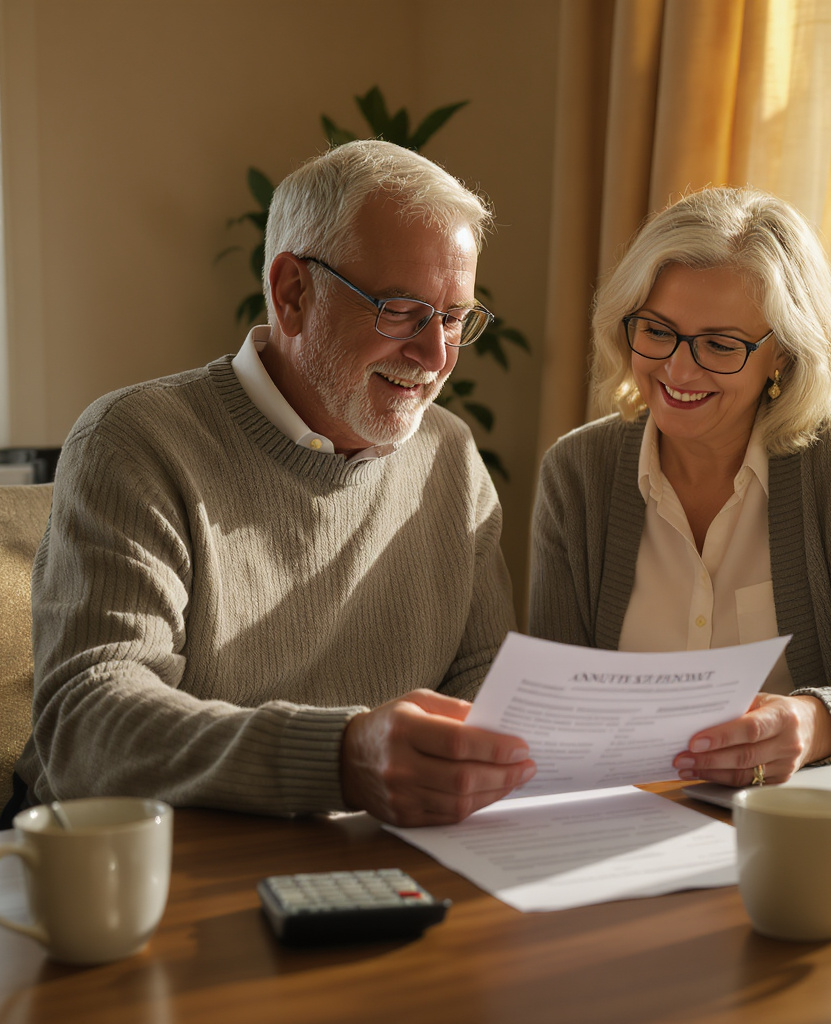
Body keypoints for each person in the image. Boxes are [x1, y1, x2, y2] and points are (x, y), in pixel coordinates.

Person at [7, 140, 535, 830]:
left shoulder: (451, 456)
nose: (435, 357)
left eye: (455, 318)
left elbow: (484, 682)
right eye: (401, 310)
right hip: (143, 862)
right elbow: (89, 721)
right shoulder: (133, 441)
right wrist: (341, 758)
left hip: (371, 859)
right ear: (292, 293)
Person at [529, 185, 831, 789]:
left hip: (794, 816)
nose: (679, 370)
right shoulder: (577, 473)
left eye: (720, 346)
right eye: (656, 331)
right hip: (620, 813)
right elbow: (554, 692)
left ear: (782, 353)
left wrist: (814, 722)